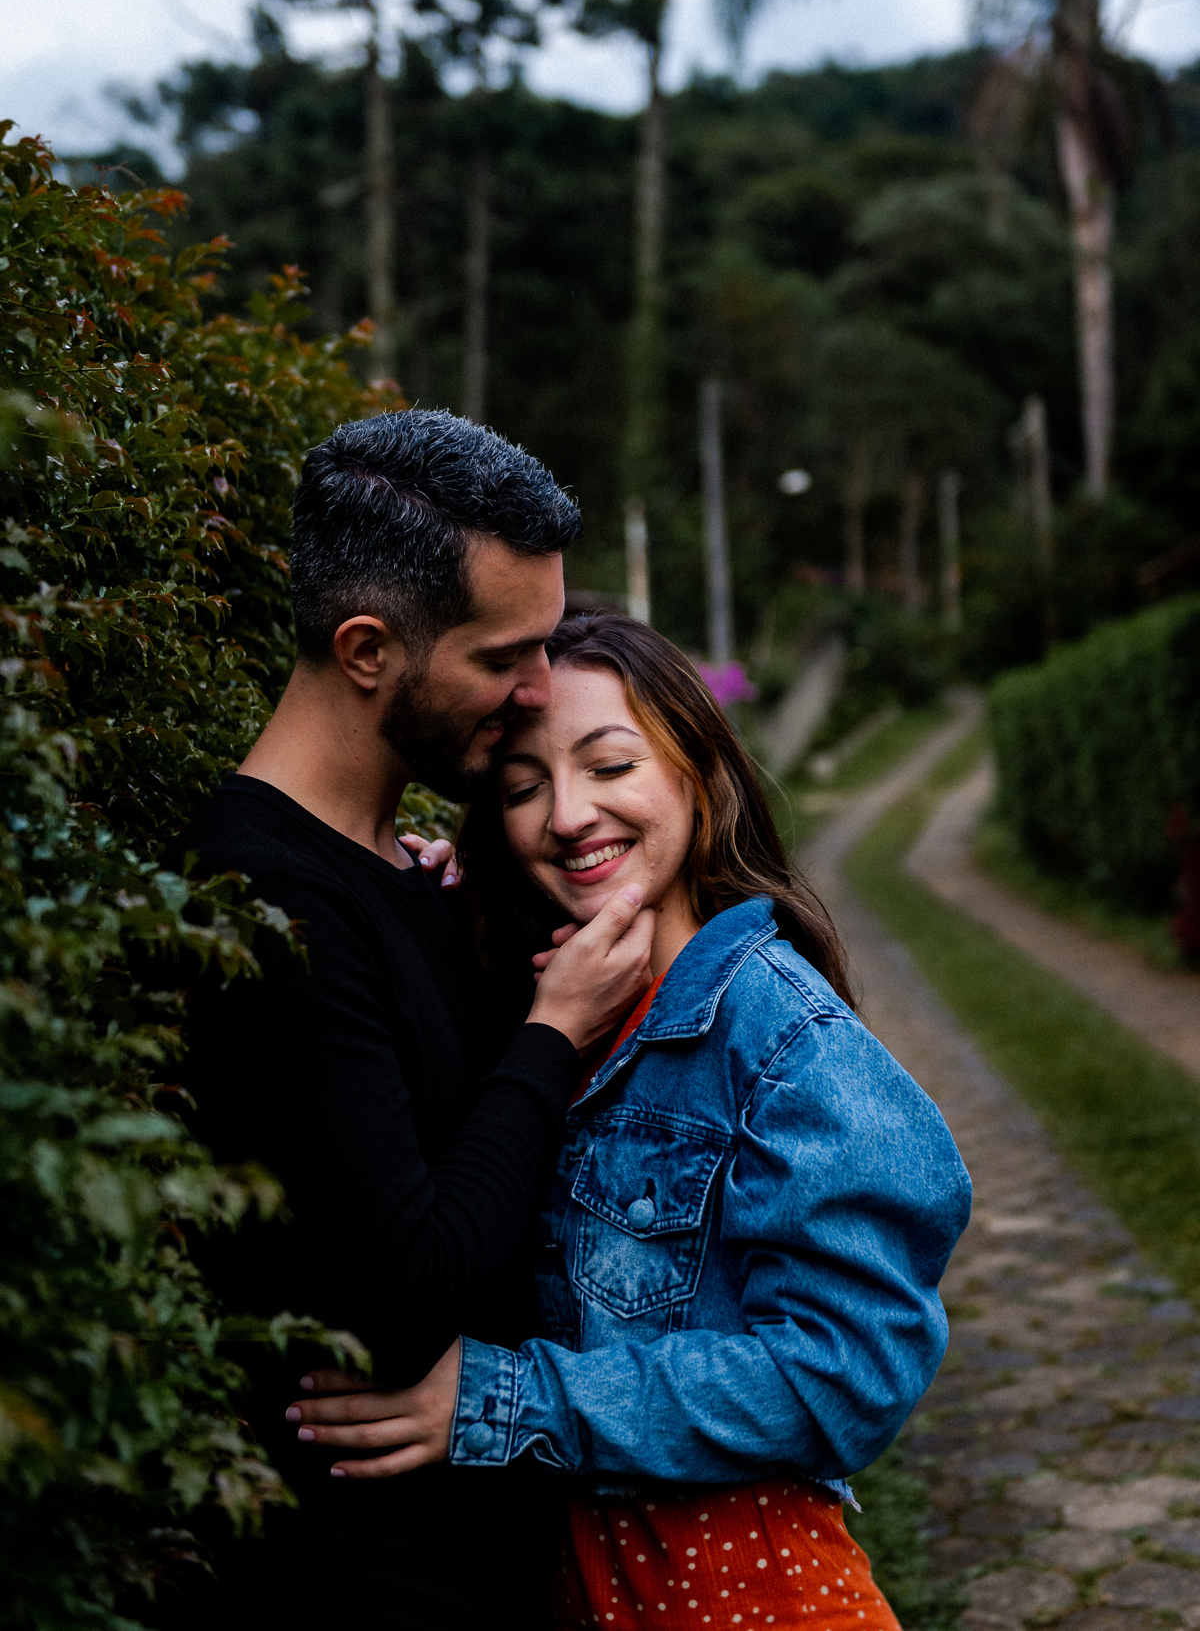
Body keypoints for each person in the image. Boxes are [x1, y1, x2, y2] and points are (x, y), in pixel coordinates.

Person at [287, 612, 973, 1630]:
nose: (568, 815)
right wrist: (424, 909)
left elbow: (847, 1375)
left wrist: (502, 1399)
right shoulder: (549, 1017)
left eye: (610, 765)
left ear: (701, 774)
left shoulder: (783, 1038)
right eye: (522, 788)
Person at [160, 417, 655, 1631]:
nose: (538, 689)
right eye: (504, 657)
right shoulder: (265, 901)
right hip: (380, 1581)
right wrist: (553, 1032)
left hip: (507, 1550)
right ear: (368, 649)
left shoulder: (408, 871)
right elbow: (405, 1297)